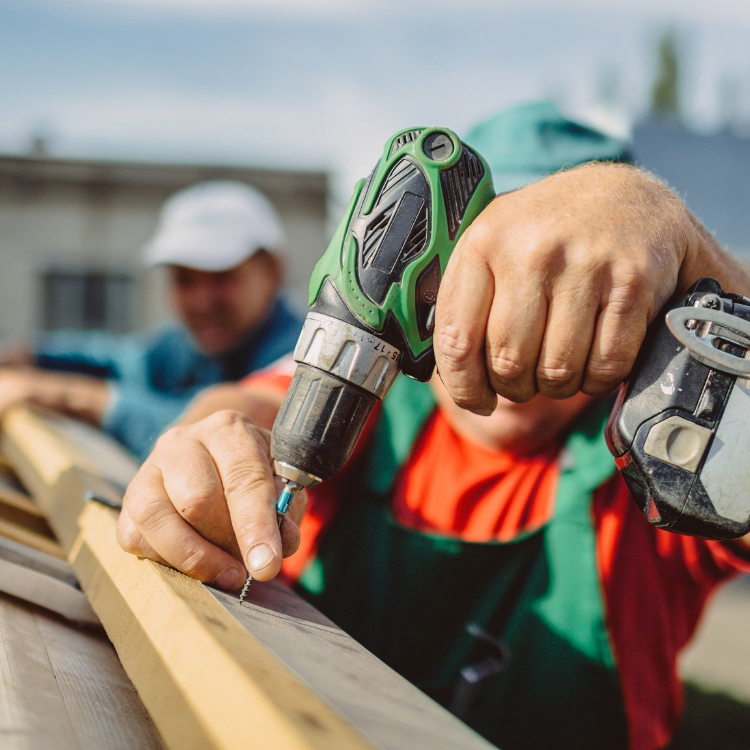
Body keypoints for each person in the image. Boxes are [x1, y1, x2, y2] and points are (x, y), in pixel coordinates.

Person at [117, 104, 750, 750]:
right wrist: (203, 446)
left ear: (631, 293)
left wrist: (693, 254)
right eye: (489, 273)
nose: (515, 319)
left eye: (564, 284)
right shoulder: (372, 401)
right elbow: (243, 411)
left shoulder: (675, 447)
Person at [0, 181, 303, 460]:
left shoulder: (303, 360)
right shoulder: (186, 345)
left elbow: (204, 432)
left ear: (272, 271)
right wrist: (32, 356)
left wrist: (68, 395)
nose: (202, 301)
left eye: (222, 277)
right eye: (184, 280)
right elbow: (122, 359)